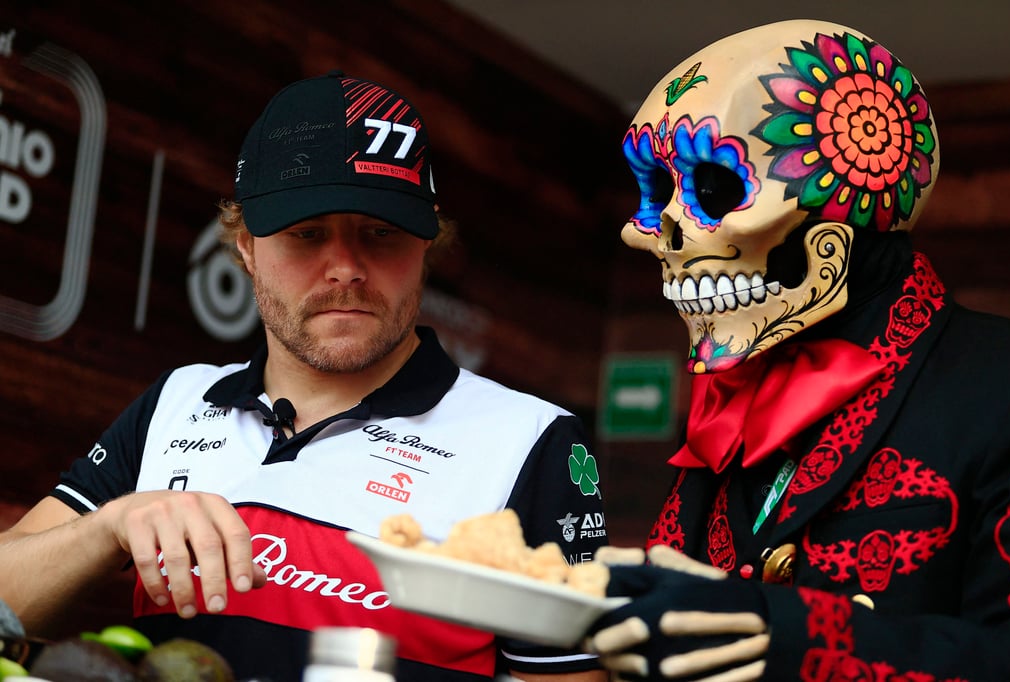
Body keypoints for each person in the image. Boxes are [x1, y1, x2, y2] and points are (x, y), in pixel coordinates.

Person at [0, 70, 609, 682]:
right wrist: (106, 530)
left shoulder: (532, 441)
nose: (345, 267)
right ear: (244, 246)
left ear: (427, 245)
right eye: (306, 232)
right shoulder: (174, 402)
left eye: (381, 232)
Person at [583, 18, 1010, 681]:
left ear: (838, 210)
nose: (660, 233)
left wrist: (785, 634)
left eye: (716, 188)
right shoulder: (731, 401)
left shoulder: (1007, 382)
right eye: (656, 192)